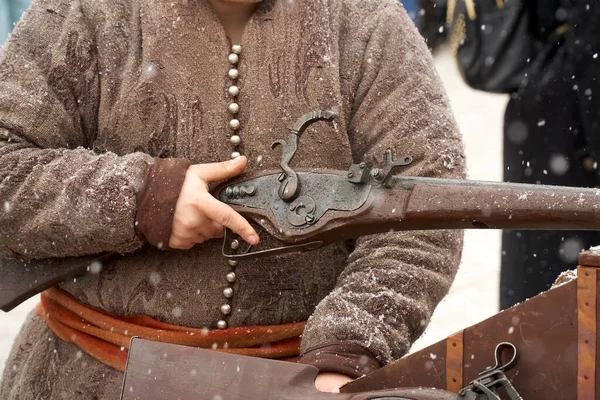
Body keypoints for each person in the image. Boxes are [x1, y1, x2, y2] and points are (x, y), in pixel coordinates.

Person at [0, 0, 465, 398]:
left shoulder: (368, 22)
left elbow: (423, 214)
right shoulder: (83, 12)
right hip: (83, 378)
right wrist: (143, 198)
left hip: (305, 385)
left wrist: (346, 349)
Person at [500, 1, 600, 309]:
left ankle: (521, 346)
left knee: (535, 271)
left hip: (540, 109)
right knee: (563, 282)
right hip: (574, 120)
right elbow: (590, 43)